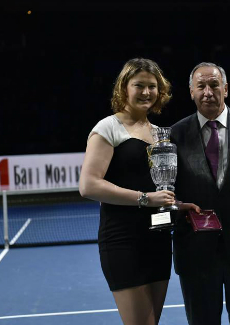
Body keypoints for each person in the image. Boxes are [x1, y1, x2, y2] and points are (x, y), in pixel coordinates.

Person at [79, 58, 198, 325]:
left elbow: (156, 185)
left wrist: (178, 204)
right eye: (139, 85)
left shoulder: (159, 134)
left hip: (157, 240)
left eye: (152, 86)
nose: (146, 92)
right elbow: (88, 185)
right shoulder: (107, 128)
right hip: (122, 241)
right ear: (124, 88)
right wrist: (145, 199)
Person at [170, 62, 230, 325]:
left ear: (226, 88)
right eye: (201, 86)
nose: (208, 92)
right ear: (191, 91)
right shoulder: (175, 134)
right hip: (196, 251)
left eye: (214, 85)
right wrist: (175, 205)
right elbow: (167, 190)